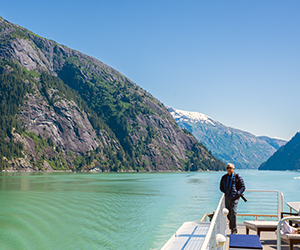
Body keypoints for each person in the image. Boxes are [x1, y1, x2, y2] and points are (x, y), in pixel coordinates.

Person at [220, 163, 245, 234]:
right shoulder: (224, 177)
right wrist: (225, 191)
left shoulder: (237, 176)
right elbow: (221, 187)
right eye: (227, 168)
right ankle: (232, 228)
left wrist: (238, 193)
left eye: (230, 168)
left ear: (233, 169)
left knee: (233, 212)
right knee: (228, 214)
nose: (229, 169)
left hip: (235, 198)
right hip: (227, 198)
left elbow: (243, 187)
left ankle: (234, 230)